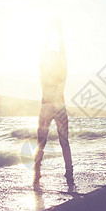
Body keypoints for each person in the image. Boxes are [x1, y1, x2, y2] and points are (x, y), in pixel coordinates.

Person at [34, 18, 73, 184]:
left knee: (41, 141)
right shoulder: (61, 72)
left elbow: (43, 51)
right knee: (64, 141)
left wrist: (49, 32)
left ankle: (37, 172)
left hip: (46, 107)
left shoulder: (44, 72)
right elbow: (62, 53)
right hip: (59, 107)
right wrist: (60, 32)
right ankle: (69, 171)